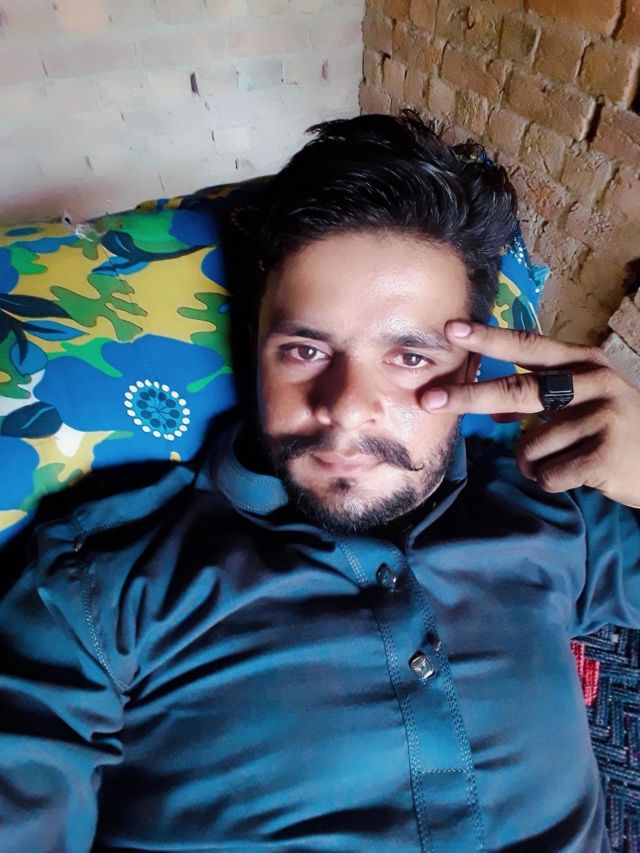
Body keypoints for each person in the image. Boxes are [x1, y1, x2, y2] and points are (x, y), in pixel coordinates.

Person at [1, 112, 638, 853]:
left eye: (409, 359)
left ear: (472, 369)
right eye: (305, 350)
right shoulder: (101, 583)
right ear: (255, 349)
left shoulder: (549, 509)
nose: (345, 407)